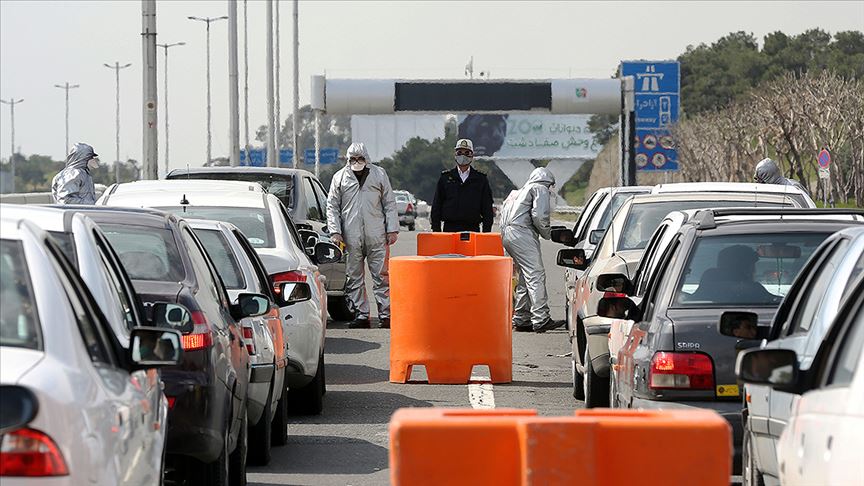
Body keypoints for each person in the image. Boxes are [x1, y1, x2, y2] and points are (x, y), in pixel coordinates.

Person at [326, 142, 399, 329]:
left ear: (367, 159)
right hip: (351, 236)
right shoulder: (340, 178)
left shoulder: (379, 174)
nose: (357, 162)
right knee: (354, 276)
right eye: (353, 159)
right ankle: (361, 313)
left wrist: (392, 229)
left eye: (360, 158)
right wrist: (335, 231)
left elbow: (389, 203)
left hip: (377, 234)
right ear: (348, 160)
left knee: (381, 276)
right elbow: (332, 206)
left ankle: (386, 314)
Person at [499, 167, 565, 333]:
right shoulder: (539, 188)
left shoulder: (516, 192)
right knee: (535, 274)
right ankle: (541, 318)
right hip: (522, 232)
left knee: (524, 277)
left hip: (507, 234)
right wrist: (548, 233)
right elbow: (539, 215)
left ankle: (521, 318)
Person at [430, 138, 495, 233]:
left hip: (472, 229)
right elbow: (437, 206)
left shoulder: (480, 179)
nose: (463, 156)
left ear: (472, 155)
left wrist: (486, 233)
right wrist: (436, 231)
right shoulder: (446, 178)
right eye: (459, 152)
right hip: (449, 229)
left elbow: (487, 209)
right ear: (455, 155)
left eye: (467, 153)